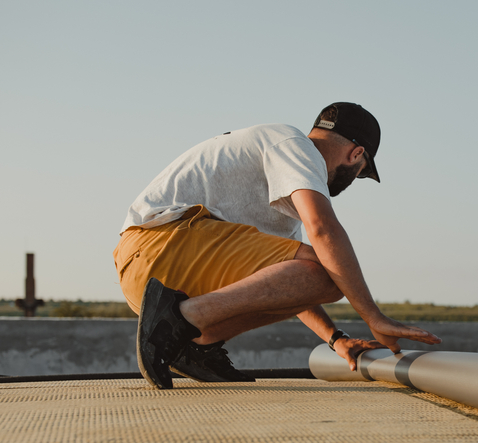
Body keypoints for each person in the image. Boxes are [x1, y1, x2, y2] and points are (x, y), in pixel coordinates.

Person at [113, 102, 441, 389]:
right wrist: (374, 317)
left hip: (150, 268)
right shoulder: (293, 144)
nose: (354, 179)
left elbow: (289, 285)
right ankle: (180, 319)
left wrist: (336, 339)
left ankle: (193, 343)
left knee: (321, 271)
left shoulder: (283, 193)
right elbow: (323, 230)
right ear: (356, 155)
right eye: (361, 172)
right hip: (159, 244)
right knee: (332, 268)